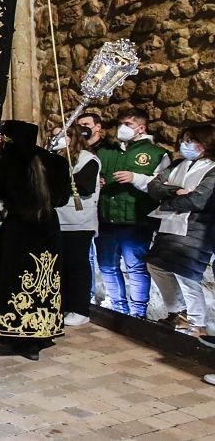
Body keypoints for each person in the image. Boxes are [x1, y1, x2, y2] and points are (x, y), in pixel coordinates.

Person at [0, 121, 72, 361]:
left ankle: (17, 334)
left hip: (18, 231)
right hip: (48, 229)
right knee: (43, 278)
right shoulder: (58, 163)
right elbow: (62, 199)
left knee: (14, 278)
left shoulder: (1, 168)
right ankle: (39, 332)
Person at [95, 108, 170, 318]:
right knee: (107, 266)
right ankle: (119, 309)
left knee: (135, 267)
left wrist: (135, 178)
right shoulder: (106, 152)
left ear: (141, 128)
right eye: (121, 123)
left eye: (128, 124)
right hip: (107, 218)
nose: (122, 128)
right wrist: (98, 182)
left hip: (136, 220)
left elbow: (161, 186)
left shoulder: (156, 154)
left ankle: (138, 313)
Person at [144, 123, 215, 338]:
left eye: (191, 140)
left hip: (196, 228)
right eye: (184, 139)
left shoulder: (212, 169)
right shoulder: (178, 164)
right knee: (155, 265)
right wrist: (174, 190)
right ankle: (177, 310)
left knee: (186, 274)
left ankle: (197, 323)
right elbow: (154, 187)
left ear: (206, 143)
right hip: (170, 226)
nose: (186, 144)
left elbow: (198, 199)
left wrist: (167, 201)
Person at [52, 125, 101, 327]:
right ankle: (62, 305)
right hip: (57, 219)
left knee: (77, 265)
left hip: (78, 222)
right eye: (54, 136)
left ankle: (80, 308)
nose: (57, 140)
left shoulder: (88, 159)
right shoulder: (55, 159)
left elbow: (84, 185)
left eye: (62, 136)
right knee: (59, 266)